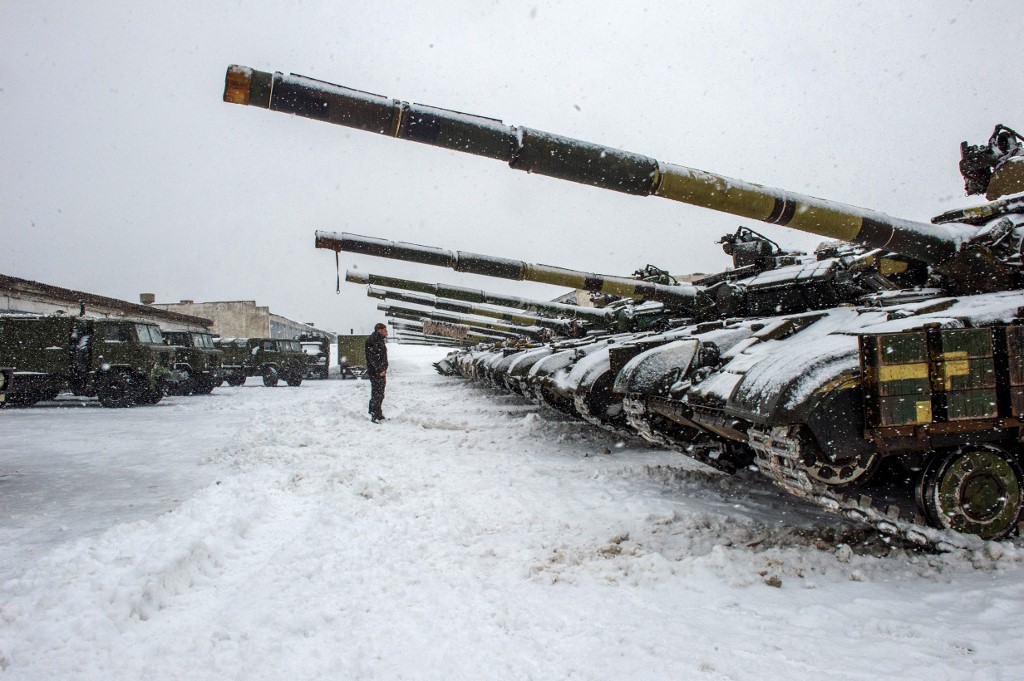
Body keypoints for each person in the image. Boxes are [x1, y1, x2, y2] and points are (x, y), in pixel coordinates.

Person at [365, 322, 389, 422]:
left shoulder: (379, 340)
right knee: (377, 393)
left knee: (380, 393)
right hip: (376, 372)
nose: (386, 332)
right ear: (379, 330)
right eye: (385, 330)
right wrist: (380, 370)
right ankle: (374, 414)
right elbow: (373, 358)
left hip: (380, 371)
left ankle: (378, 413)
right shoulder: (374, 340)